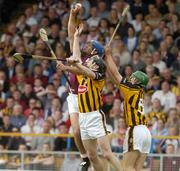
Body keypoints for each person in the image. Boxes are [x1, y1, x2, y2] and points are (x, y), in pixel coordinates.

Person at [57, 25, 122, 171]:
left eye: (90, 62)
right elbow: (77, 56)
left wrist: (72, 65)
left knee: (107, 154)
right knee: (92, 156)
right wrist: (75, 37)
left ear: (95, 64)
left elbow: (84, 69)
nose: (87, 63)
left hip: (95, 117)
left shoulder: (98, 75)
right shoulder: (83, 74)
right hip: (83, 118)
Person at [65, 4, 106, 171]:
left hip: (86, 102)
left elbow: (79, 68)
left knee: (81, 134)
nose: (86, 44)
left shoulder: (93, 64)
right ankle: (84, 158)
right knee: (75, 132)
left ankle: (92, 160)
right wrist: (72, 15)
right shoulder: (79, 54)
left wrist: (69, 67)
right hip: (73, 96)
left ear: (94, 51)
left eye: (90, 44)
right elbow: (70, 34)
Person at [104, 46, 151, 171]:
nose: (130, 77)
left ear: (136, 80)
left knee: (127, 167)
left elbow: (116, 74)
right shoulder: (138, 91)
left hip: (136, 130)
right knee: (138, 168)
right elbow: (114, 79)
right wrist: (106, 63)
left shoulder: (132, 88)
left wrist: (108, 55)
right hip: (145, 132)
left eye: (133, 77)